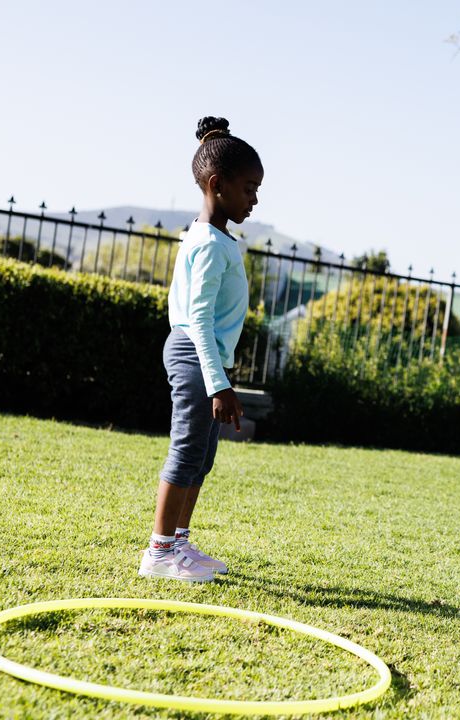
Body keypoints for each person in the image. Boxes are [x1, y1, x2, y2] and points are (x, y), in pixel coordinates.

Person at [138, 116, 263, 582]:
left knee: (202, 456)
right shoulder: (208, 243)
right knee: (187, 449)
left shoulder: (215, 237)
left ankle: (180, 544)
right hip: (195, 354)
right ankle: (159, 550)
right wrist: (220, 384)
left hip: (203, 356)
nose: (254, 199)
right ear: (217, 184)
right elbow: (198, 322)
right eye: (249, 188)